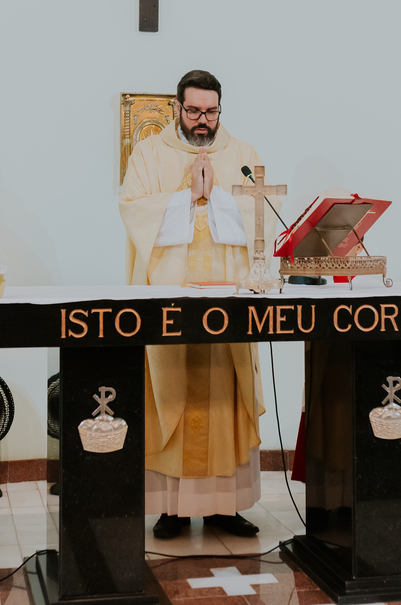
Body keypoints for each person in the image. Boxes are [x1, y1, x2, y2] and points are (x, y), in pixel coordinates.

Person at [119, 70, 276, 539]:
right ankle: (173, 508)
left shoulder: (243, 155)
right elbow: (133, 210)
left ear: (220, 108)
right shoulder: (149, 153)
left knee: (226, 399)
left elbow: (261, 216)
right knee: (173, 397)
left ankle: (226, 508)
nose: (202, 121)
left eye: (210, 111)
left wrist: (219, 197)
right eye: (193, 111)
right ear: (177, 109)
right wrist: (188, 196)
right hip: (172, 301)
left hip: (228, 301)